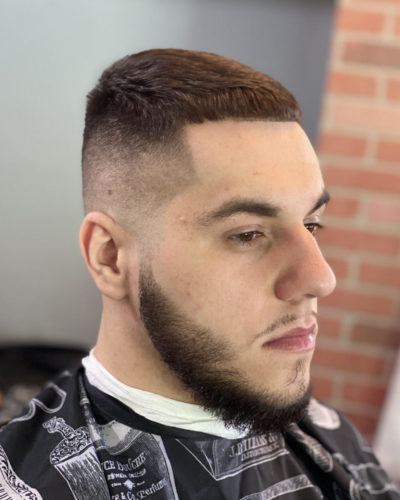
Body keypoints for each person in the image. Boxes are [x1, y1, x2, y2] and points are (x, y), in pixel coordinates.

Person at [0, 49, 398, 500]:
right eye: (247, 234)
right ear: (110, 257)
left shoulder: (330, 438)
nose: (320, 278)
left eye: (311, 224)